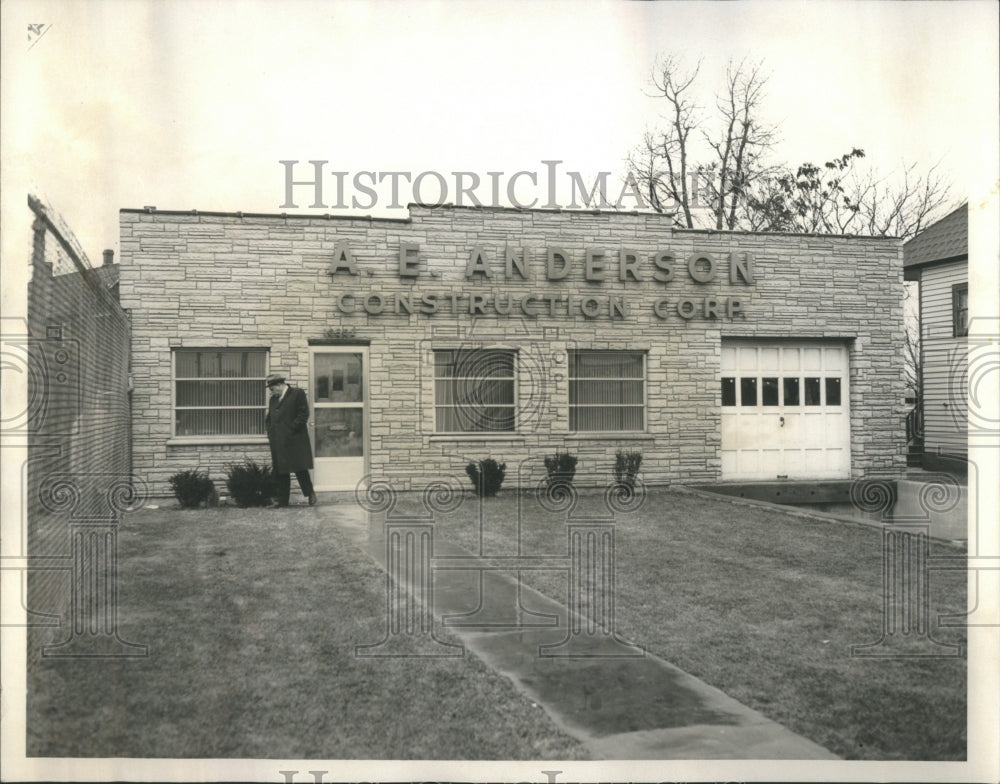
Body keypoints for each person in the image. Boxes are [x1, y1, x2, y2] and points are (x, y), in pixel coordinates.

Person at [264, 373, 317, 507]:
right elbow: (269, 418)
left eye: (272, 388)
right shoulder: (273, 400)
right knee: (281, 471)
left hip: (295, 439)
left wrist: (290, 430)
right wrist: (271, 433)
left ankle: (310, 494)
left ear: (280, 385)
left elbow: (303, 414)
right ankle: (282, 501)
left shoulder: (297, 394)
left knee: (300, 469)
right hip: (278, 441)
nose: (272, 391)